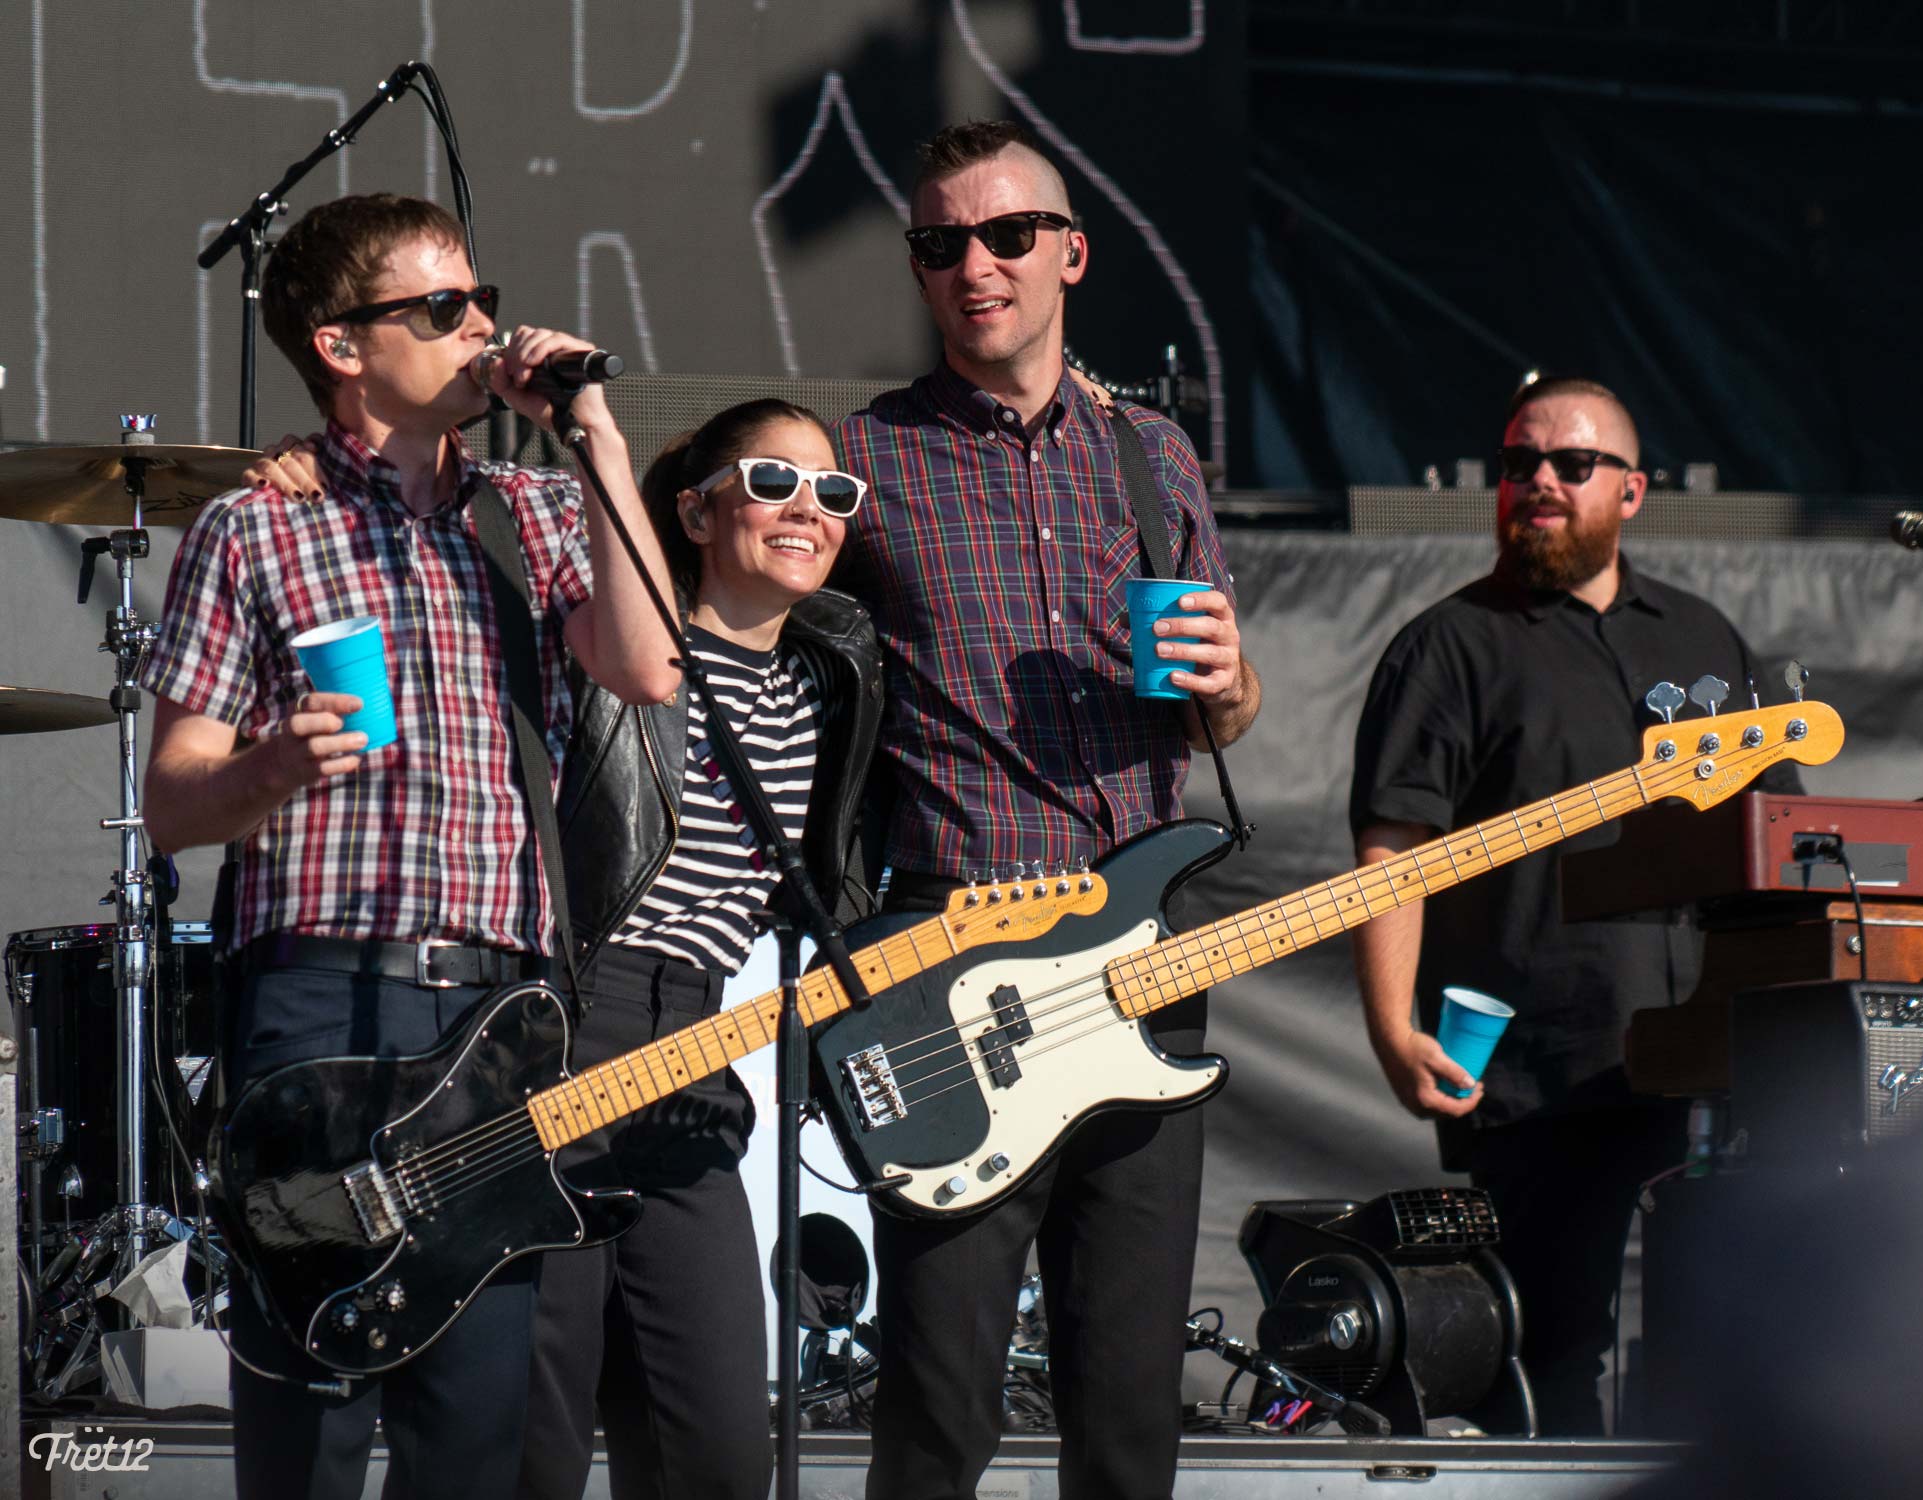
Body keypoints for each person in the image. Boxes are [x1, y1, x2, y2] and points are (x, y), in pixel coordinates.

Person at [140, 191, 679, 1499]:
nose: (483, 327)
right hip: (317, 995)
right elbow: (172, 796)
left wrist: (595, 432)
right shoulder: (257, 525)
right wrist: (270, 766)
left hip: (497, 1006)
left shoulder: (535, 510)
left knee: (470, 1435)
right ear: (342, 344)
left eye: (482, 301)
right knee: (311, 1429)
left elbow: (650, 666)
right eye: (442, 309)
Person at [833, 119, 1260, 1500]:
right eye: (941, 242)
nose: (976, 265)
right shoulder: (863, 460)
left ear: (1070, 252)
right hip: (954, 962)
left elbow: (1224, 714)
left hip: (1140, 967)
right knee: (939, 1403)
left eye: (1008, 235)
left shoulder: (1153, 457)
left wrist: (1233, 682)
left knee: (1130, 1406)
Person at [1347, 375, 1802, 1436]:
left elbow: (1773, 837)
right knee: (1550, 1354)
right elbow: (1390, 850)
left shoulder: (1699, 638)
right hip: (1537, 1063)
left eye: (1568, 464)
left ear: (1632, 491)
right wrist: (1388, 1026)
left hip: (1706, 1053)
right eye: (1516, 465)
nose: (1537, 482)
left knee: (1729, 1339)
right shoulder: (1447, 645)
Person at [516, 400, 882, 1500]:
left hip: (698, 1047)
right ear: (693, 508)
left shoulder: (836, 672)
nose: (805, 509)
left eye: (832, 493)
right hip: (569, 1028)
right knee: (533, 1442)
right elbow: (510, 505)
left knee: (719, 1454)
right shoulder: (605, 644)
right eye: (771, 480)